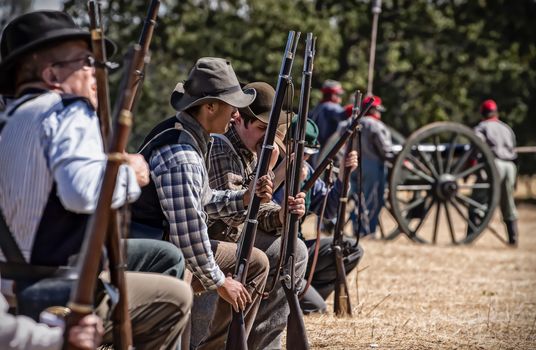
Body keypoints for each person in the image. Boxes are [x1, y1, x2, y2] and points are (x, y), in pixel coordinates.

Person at [0, 11, 192, 349]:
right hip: (60, 287)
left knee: (162, 257)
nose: (96, 71)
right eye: (86, 61)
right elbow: (83, 192)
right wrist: (130, 175)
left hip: (10, 287)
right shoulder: (69, 110)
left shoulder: (9, 122)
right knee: (174, 297)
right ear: (52, 75)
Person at [130, 58, 274, 349]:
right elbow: (189, 237)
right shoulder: (182, 154)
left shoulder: (193, 138)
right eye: (231, 104)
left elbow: (205, 202)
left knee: (256, 262)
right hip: (155, 255)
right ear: (209, 107)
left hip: (169, 248)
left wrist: (246, 198)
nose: (236, 114)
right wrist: (221, 283)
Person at [196, 81, 307, 349]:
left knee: (295, 250)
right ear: (239, 121)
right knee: (271, 255)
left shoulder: (252, 151)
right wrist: (268, 173)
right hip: (214, 239)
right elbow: (232, 215)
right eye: (260, 129)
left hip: (232, 237)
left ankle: (263, 343)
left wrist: (281, 216)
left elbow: (257, 209)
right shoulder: (222, 148)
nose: (267, 138)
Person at [273, 118, 364, 314]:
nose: (304, 157)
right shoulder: (271, 168)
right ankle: (297, 301)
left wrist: (343, 177)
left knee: (351, 250)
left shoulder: (308, 170)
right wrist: (290, 182)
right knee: (318, 309)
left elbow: (328, 209)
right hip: (276, 252)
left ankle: (304, 293)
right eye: (301, 152)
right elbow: (269, 213)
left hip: (299, 248)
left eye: (308, 153)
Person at [470, 99, 518, 245]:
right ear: (496, 112)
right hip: (510, 166)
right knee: (508, 203)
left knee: (478, 200)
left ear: (482, 113)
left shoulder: (481, 127)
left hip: (494, 165)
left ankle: (470, 236)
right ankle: (513, 238)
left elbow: (476, 146)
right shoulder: (506, 128)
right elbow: (513, 149)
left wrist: (471, 165)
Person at [349, 95, 393, 237]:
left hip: (353, 164)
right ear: (373, 110)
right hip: (372, 165)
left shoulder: (352, 122)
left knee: (357, 199)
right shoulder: (376, 125)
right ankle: (368, 231)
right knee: (372, 200)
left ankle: (357, 228)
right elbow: (385, 150)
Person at [309, 79, 346, 167]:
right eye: (338, 94)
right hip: (327, 150)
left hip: (315, 148)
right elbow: (343, 115)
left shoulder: (318, 107)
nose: (340, 97)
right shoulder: (330, 106)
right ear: (333, 94)